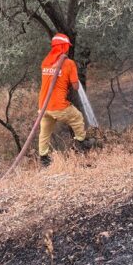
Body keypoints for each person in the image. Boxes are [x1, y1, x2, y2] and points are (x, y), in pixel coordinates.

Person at [38, 33, 94, 166]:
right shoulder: (69, 63)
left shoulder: (46, 61)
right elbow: (75, 86)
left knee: (44, 132)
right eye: (67, 47)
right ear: (63, 47)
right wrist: (73, 77)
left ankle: (44, 158)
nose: (68, 49)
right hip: (59, 105)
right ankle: (82, 143)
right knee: (77, 117)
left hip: (44, 106)